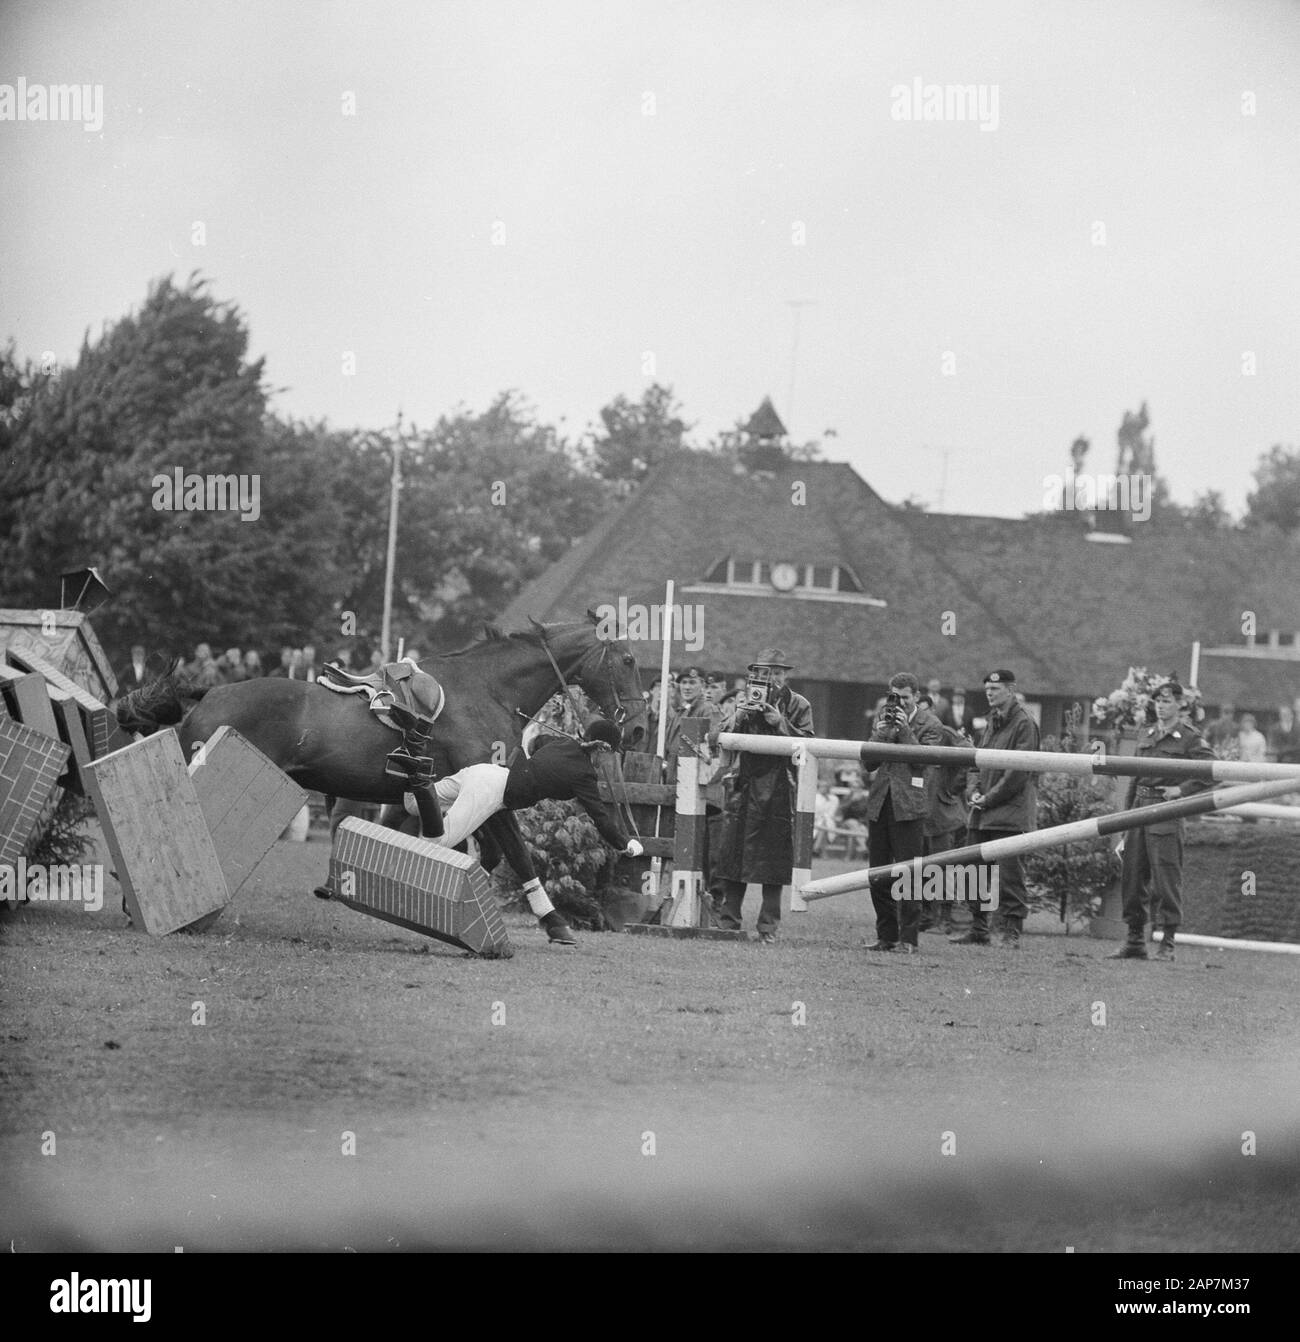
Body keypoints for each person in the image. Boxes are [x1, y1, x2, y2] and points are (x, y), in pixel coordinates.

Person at [421, 716, 643, 946]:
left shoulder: (563, 744)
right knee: (438, 842)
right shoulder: (585, 775)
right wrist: (624, 844)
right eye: (611, 755)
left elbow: (535, 742)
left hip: (485, 773)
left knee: (413, 802)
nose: (609, 762)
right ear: (602, 749)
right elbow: (600, 817)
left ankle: (413, 776)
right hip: (491, 790)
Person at [1107, 679, 1216, 963]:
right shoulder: (1147, 733)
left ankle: (1167, 942)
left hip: (1166, 812)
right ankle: (1134, 940)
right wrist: (1126, 819)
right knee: (1132, 877)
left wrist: (1182, 790)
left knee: (1166, 879)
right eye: (1158, 701)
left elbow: (1212, 771)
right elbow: (1135, 777)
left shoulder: (1190, 738)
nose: (1162, 706)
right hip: (1140, 811)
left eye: (1167, 701)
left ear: (1180, 704)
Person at [712, 648, 815, 944]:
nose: (769, 678)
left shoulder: (798, 704)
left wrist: (779, 722)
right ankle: (728, 922)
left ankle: (768, 927)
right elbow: (722, 736)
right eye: (762, 672)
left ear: (785, 675)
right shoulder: (744, 701)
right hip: (744, 784)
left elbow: (809, 745)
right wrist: (739, 714)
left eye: (775, 672)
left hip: (780, 787)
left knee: (774, 861)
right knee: (734, 855)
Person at [952, 669, 1039, 949]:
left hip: (1010, 813)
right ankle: (978, 928)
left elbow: (1018, 772)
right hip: (982, 810)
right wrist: (973, 790)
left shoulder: (1024, 723)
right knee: (973, 869)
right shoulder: (992, 722)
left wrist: (987, 797)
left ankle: (1011, 931)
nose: (990, 693)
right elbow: (977, 760)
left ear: (1010, 690)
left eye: (996, 688)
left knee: (1010, 874)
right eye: (987, 688)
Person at [861, 673, 946, 953]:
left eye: (905, 698)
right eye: (894, 696)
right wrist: (883, 731)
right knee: (878, 874)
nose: (899, 703)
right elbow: (869, 763)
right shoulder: (882, 718)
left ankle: (909, 939)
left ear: (917, 697)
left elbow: (923, 762)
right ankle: (886, 936)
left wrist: (905, 731)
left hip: (909, 806)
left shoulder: (931, 724)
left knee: (910, 875)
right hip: (880, 803)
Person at [918, 716, 970, 934]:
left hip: (943, 812)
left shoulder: (945, 733)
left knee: (944, 865)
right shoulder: (911, 732)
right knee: (920, 867)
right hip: (919, 811)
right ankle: (926, 915)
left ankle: (947, 918)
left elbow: (968, 753)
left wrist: (952, 788)